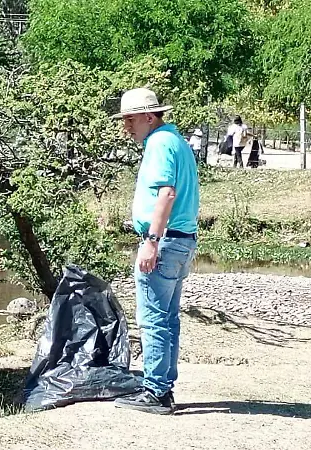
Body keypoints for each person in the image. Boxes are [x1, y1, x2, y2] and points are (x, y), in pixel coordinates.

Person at [109, 88, 199, 415]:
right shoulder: (177, 142)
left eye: (130, 119)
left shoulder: (160, 143)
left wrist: (151, 239)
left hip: (164, 241)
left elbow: (166, 193)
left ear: (149, 116)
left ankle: (156, 392)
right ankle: (163, 386)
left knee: (153, 319)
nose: (126, 126)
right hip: (182, 239)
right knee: (168, 318)